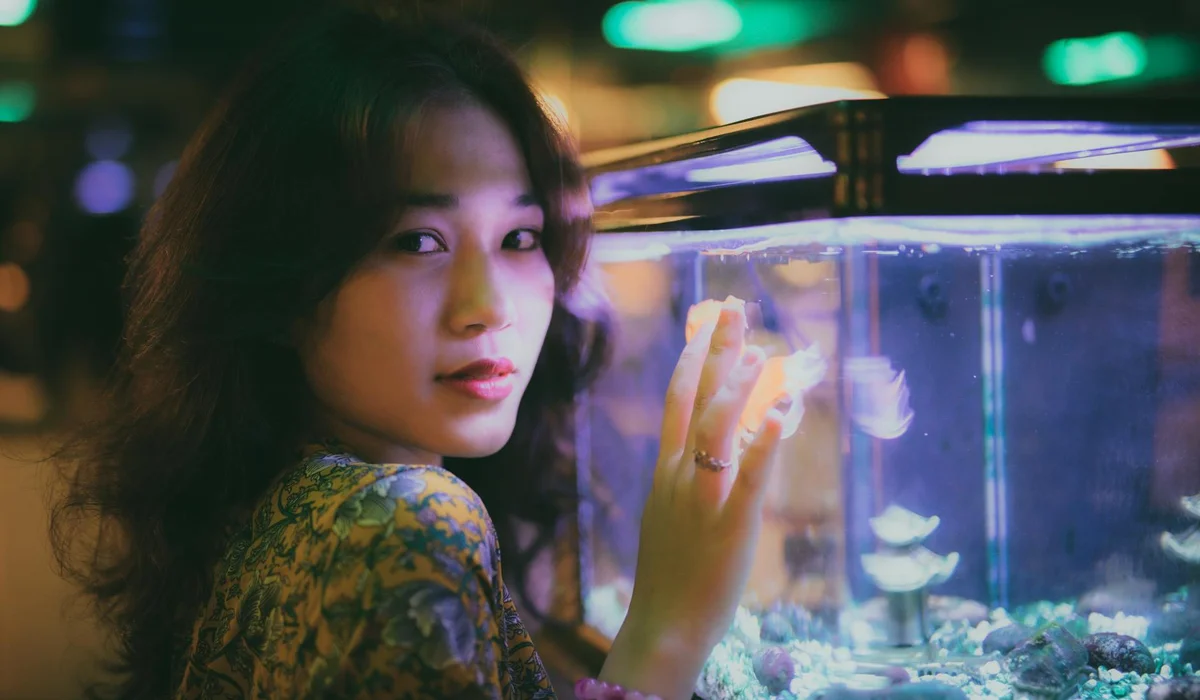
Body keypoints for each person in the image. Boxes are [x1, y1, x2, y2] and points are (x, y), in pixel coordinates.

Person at [49, 3, 787, 699]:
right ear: (278, 282)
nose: (489, 307)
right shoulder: (405, 519)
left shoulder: (270, 508)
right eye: (417, 241)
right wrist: (666, 628)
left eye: (519, 238)